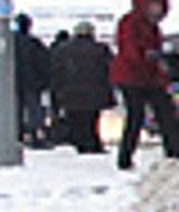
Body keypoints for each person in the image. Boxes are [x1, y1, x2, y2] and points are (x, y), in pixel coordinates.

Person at [109, 0, 179, 169]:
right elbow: (128, 47)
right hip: (130, 76)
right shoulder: (130, 22)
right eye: (153, 4)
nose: (157, 9)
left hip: (149, 77)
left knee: (166, 111)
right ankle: (125, 158)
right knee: (136, 115)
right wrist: (146, 55)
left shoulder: (153, 27)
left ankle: (175, 151)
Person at [51, 21, 114, 153]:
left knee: (75, 118)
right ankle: (93, 142)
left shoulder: (63, 49)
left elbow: (56, 71)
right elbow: (109, 68)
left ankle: (81, 142)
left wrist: (56, 92)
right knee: (92, 119)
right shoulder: (100, 49)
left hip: (70, 92)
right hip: (95, 91)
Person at [14, 13, 52, 147]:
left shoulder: (10, 42)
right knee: (34, 109)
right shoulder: (34, 43)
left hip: (13, 82)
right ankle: (35, 134)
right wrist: (44, 81)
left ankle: (17, 134)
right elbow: (44, 62)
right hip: (32, 82)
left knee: (16, 109)